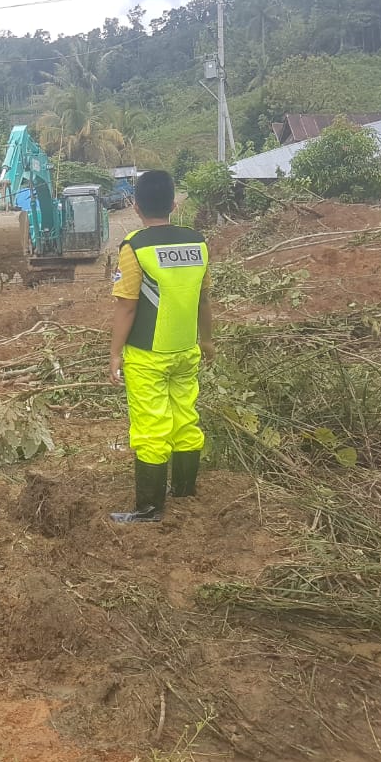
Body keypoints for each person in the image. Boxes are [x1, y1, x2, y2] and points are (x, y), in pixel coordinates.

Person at [107, 171, 214, 524]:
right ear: (172, 204)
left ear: (136, 207)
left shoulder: (134, 247)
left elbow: (127, 305)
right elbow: (203, 298)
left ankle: (150, 509)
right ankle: (184, 490)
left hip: (147, 355)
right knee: (185, 418)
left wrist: (114, 354)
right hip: (187, 349)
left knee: (151, 427)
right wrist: (208, 340)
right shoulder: (197, 243)